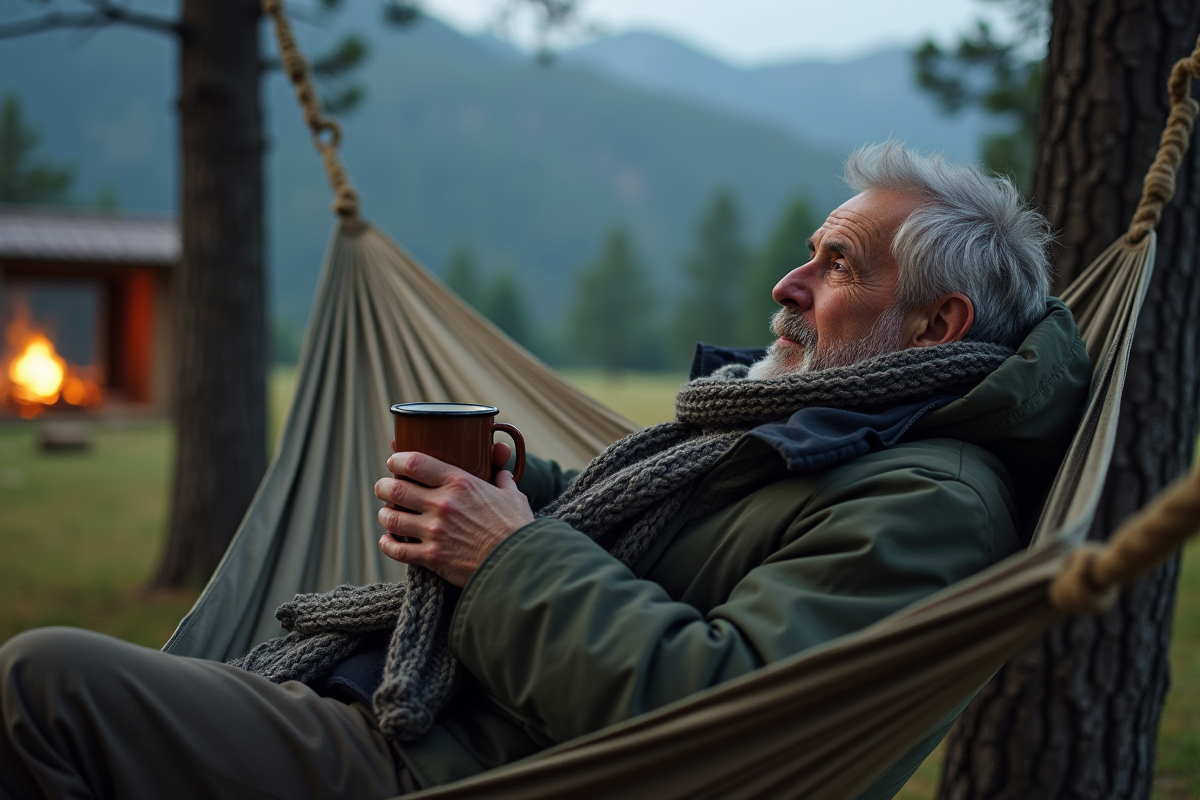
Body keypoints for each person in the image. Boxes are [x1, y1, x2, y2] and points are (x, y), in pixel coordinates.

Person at [0, 142, 1089, 800]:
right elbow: (675, 555)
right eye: (809, 251)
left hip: (461, 765)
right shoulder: (828, 432)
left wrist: (508, 552)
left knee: (40, 687)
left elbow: (721, 711)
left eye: (837, 263)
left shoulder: (927, 501)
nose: (787, 281)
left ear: (939, 322)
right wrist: (531, 495)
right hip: (429, 716)